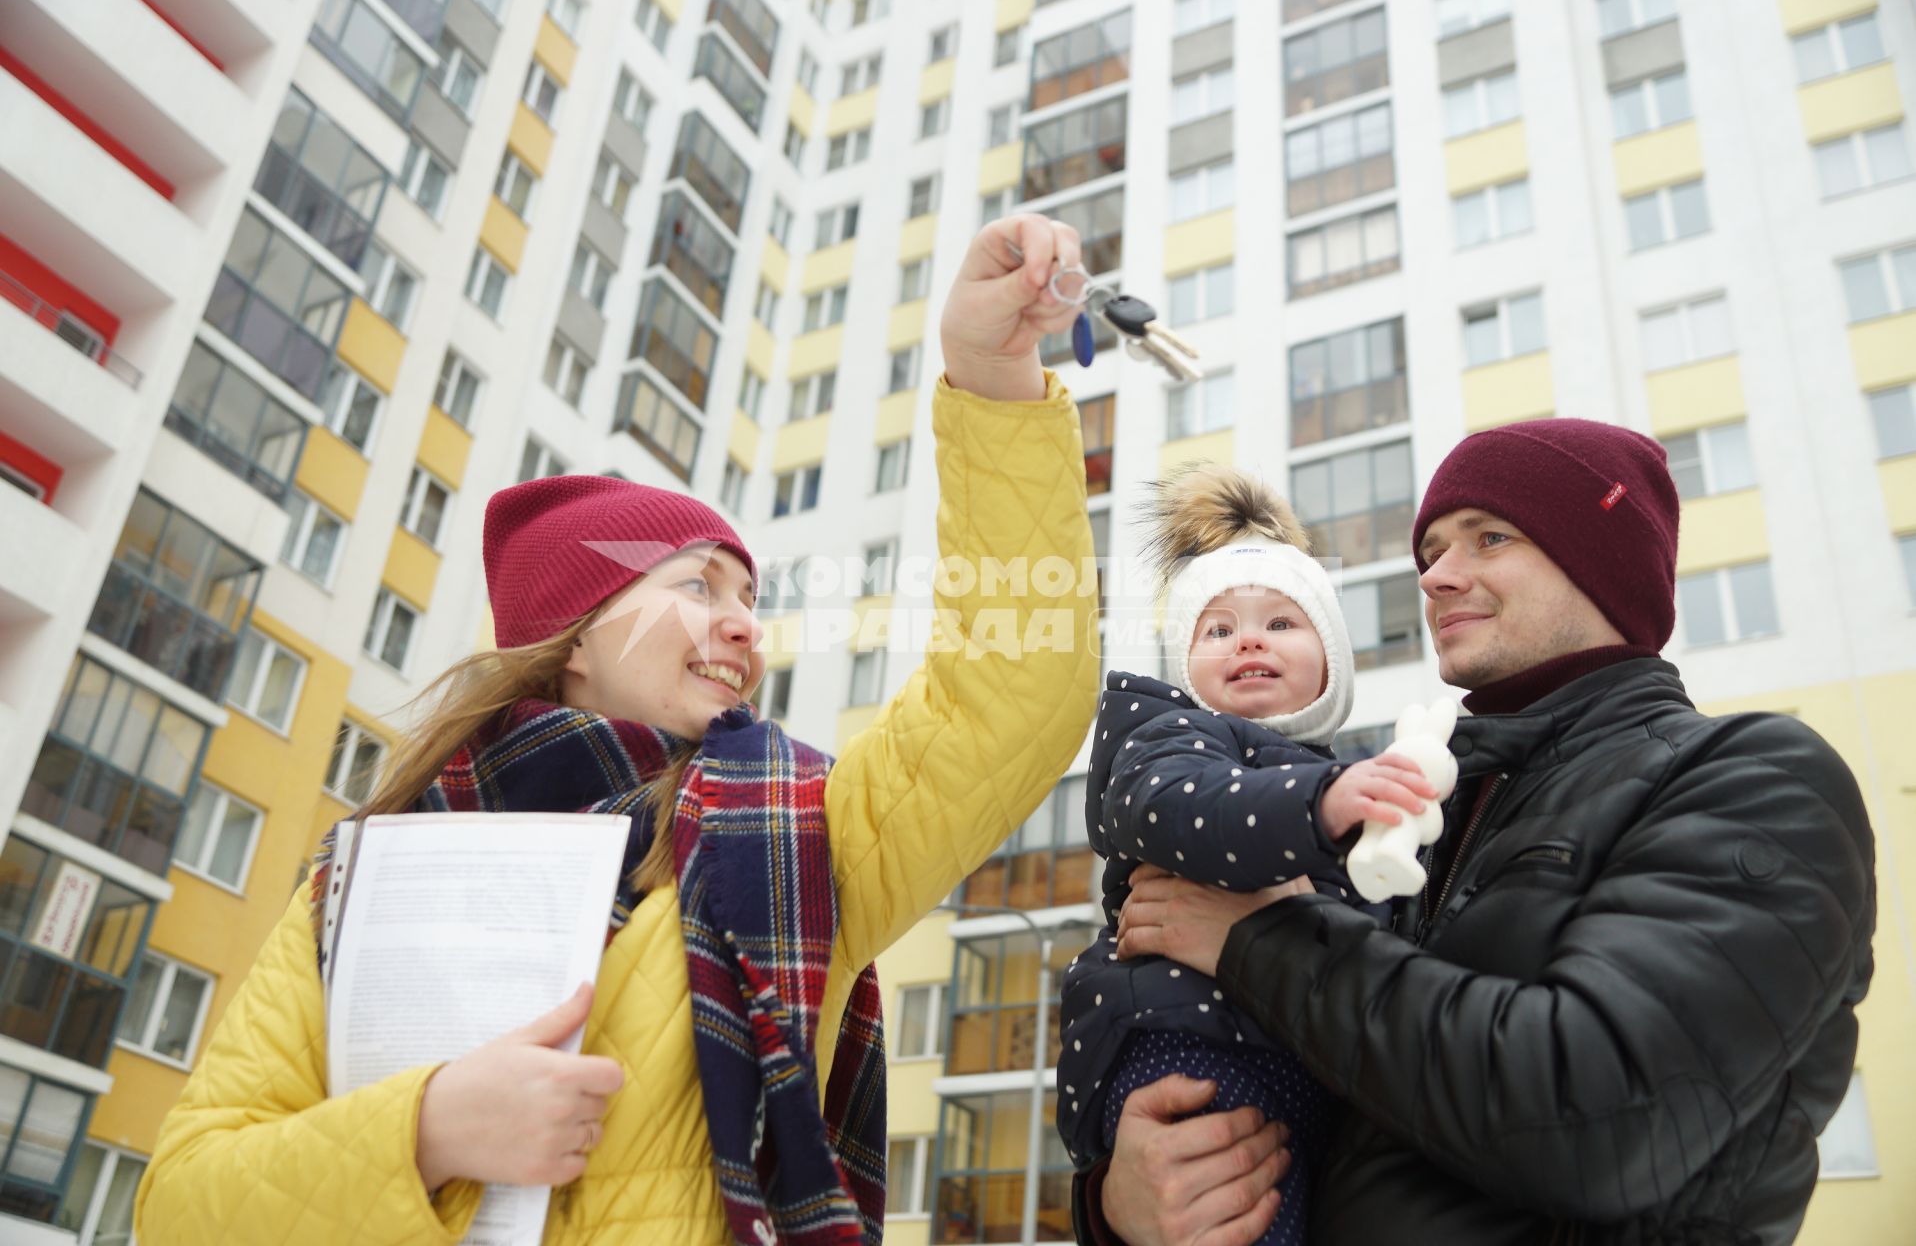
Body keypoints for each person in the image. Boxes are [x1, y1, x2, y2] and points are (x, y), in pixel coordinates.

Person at [134, 215, 1104, 1245]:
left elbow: (1012, 688)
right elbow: (182, 1202)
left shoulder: (798, 837)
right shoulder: (362, 882)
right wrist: (424, 1128)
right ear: (576, 639)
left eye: (746, 595)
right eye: (696, 584)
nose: (742, 622)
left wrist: (988, 377)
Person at [1074, 418, 1876, 1246]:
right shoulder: (1428, 808)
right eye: (1430, 554)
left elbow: (1599, 1120)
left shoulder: (1756, 780)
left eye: (1488, 537)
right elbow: (1344, 1089)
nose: (1438, 578)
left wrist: (1259, 938)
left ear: (1599, 559)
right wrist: (1121, 1204)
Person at [1056, 465, 1441, 1246]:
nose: (1250, 639)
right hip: (1191, 1045)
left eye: (1282, 623)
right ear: (1185, 662)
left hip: (1312, 1064)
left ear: (1331, 659)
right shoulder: (1173, 739)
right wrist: (1322, 806)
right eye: (1218, 629)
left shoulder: (1349, 776)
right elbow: (1185, 812)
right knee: (1231, 1216)